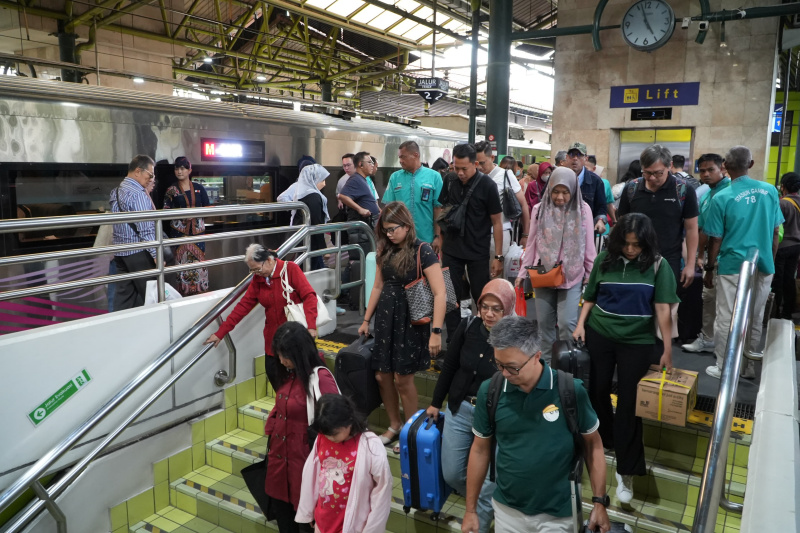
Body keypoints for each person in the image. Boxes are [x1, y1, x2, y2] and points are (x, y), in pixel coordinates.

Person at [463, 316, 611, 533]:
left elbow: (594, 446)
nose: (504, 373)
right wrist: (470, 510)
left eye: (512, 367)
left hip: (559, 515)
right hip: (507, 511)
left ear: (537, 357)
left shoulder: (570, 390)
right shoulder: (491, 390)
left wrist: (599, 502)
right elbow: (479, 449)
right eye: (499, 364)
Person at [573, 213, 679, 505]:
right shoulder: (604, 260)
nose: (631, 250)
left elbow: (663, 309)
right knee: (596, 391)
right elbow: (591, 295)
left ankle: (627, 469)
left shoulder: (658, 265)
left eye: (637, 245)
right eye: (626, 243)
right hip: (600, 333)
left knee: (630, 404)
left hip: (638, 341)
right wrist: (581, 323)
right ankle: (604, 441)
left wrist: (667, 349)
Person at [426, 279, 515, 533]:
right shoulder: (468, 326)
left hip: (496, 416)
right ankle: (477, 503)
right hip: (461, 408)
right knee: (452, 473)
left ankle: (479, 519)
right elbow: (450, 367)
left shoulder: (515, 338)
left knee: (491, 480)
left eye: (496, 309)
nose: (488, 314)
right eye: (484, 306)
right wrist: (435, 403)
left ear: (507, 309)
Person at [358, 202, 446, 447]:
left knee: (403, 379)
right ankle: (394, 424)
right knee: (381, 375)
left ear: (407, 226)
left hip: (411, 320)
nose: (389, 234)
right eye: (385, 229)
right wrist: (366, 320)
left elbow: (440, 293)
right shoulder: (384, 249)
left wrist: (436, 332)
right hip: (386, 318)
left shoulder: (423, 250)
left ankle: (410, 431)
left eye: (393, 228)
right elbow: (377, 286)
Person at [703, 146, 783, 380]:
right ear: (751, 163)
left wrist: (709, 268)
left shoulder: (722, 197)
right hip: (763, 265)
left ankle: (725, 366)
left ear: (725, 166)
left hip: (732, 266)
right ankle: (748, 367)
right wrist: (770, 261)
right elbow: (776, 231)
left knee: (727, 316)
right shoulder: (770, 191)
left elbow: (715, 239)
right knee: (755, 316)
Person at [204, 244, 319, 390]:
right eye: (252, 270)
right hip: (273, 342)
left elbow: (309, 296)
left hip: (295, 340)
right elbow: (242, 307)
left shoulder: (290, 269)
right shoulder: (258, 280)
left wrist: (311, 327)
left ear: (270, 260)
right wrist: (221, 333)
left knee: (301, 387)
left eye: (257, 269)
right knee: (277, 383)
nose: (256, 273)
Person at [263, 322, 339, 533]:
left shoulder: (320, 378)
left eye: (285, 355)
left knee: (306, 525)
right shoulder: (287, 372)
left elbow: (338, 422)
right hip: (280, 466)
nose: (281, 360)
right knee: (285, 524)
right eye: (279, 354)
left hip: (305, 466)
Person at [516, 167, 597, 362]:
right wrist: (521, 273)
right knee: (544, 326)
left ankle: (567, 369)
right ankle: (547, 371)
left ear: (573, 190)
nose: (560, 197)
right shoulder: (539, 209)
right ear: (549, 188)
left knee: (567, 324)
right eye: (556, 191)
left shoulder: (583, 210)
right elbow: (533, 243)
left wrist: (591, 275)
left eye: (565, 192)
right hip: (543, 274)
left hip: (572, 274)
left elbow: (589, 247)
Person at [296, 394, 392, 533]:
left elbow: (382, 491)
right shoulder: (323, 437)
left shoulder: (370, 445)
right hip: (324, 520)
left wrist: (371, 529)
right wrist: (308, 511)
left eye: (335, 434)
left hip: (353, 525)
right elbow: (311, 475)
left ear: (349, 422)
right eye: (326, 433)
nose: (330, 438)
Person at [438, 143, 504, 339]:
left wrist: (498, 256)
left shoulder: (488, 186)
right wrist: (439, 239)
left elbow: (497, 222)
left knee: (482, 298)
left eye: (464, 169)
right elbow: (442, 211)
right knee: (451, 298)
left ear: (475, 164)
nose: (459, 173)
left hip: (478, 251)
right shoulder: (449, 180)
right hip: (452, 249)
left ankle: (484, 340)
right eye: (456, 168)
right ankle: (453, 341)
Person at [617, 144, 699, 292]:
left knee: (666, 307)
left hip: (669, 259)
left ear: (670, 166)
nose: (652, 178)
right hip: (634, 259)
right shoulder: (631, 189)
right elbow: (621, 226)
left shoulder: (684, 190)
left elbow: (692, 229)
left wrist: (690, 265)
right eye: (647, 173)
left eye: (658, 173)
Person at [682, 154, 730, 353]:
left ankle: (724, 349)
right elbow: (699, 230)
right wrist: (697, 257)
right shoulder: (706, 195)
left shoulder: (728, 193)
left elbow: (716, 234)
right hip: (710, 257)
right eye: (702, 171)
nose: (706, 174)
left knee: (725, 306)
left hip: (725, 257)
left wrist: (707, 261)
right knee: (709, 299)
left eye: (711, 170)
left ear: (723, 169)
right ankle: (709, 338)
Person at [110, 155, 158, 310]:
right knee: (151, 298)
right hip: (138, 253)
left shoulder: (116, 191)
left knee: (124, 299)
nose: (150, 179)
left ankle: (120, 330)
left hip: (121, 253)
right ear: (138, 171)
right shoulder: (138, 194)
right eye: (150, 175)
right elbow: (146, 229)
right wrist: (156, 253)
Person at [382, 140, 444, 250]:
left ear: (416, 155)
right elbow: (388, 209)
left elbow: (438, 209)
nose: (400, 161)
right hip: (400, 240)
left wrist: (437, 236)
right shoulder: (395, 178)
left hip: (425, 239)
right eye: (399, 157)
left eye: (403, 157)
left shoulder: (434, 177)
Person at [163, 156, 211, 296]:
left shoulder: (199, 188)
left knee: (199, 264)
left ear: (190, 170)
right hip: (179, 235)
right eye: (177, 168)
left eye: (183, 168)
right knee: (180, 266)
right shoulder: (171, 190)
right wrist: (182, 215)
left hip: (198, 235)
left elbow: (208, 208)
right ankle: (181, 294)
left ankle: (200, 291)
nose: (179, 171)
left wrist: (196, 214)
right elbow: (165, 212)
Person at [475, 141, 530, 253]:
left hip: (498, 235)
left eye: (482, 163)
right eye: (476, 163)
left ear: (492, 157)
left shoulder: (506, 175)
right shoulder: (473, 177)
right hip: (475, 235)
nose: (479, 167)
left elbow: (523, 204)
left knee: (496, 268)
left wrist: (525, 235)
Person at [339, 151, 381, 254]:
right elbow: (342, 196)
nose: (372, 165)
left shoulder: (363, 179)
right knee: (360, 258)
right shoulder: (355, 179)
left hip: (367, 227)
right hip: (360, 230)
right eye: (369, 162)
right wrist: (360, 209)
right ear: (360, 164)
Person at [773, 172, 800, 319]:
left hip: (782, 247)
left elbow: (776, 229)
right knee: (789, 278)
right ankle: (788, 311)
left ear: (783, 187)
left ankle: (776, 311)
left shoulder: (782, 203)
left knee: (778, 279)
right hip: (796, 246)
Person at [293, 164, 331, 271]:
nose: (324, 183)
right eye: (322, 180)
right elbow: (316, 223)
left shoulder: (302, 193)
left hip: (303, 239)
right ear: (314, 179)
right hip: (311, 242)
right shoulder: (314, 196)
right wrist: (323, 248)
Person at [565, 142, 607, 234]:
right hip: (562, 230)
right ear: (567, 157)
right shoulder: (557, 178)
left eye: (579, 155)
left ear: (586, 159)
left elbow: (601, 207)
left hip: (585, 231)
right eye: (572, 155)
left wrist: (600, 220)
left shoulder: (596, 181)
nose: (575, 158)